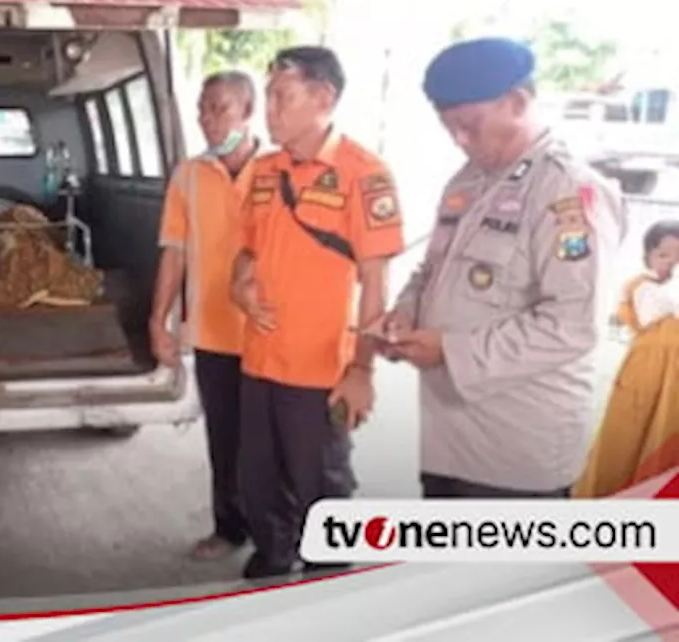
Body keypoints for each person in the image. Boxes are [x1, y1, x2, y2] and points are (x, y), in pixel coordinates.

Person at [380, 36, 625, 499]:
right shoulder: (468, 181)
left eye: (470, 125)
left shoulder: (567, 192)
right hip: (448, 435)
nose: (460, 140)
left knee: (495, 570)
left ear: (517, 102)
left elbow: (571, 325)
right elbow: (432, 270)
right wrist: (406, 313)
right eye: (448, 127)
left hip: (515, 447)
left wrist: (451, 351)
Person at [229, 46, 405, 580]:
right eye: (268, 98)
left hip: (320, 368)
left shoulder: (363, 174)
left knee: (321, 484)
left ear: (323, 98)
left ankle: (326, 577)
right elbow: (247, 249)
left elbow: (376, 283)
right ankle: (273, 554)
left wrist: (362, 370)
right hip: (259, 359)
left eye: (281, 97)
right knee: (258, 477)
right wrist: (239, 282)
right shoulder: (263, 171)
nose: (269, 110)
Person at [151, 70, 261, 561]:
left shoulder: (280, 172)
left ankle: (283, 534)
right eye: (203, 109)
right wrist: (159, 320)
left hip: (272, 330)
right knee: (226, 440)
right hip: (215, 331)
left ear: (249, 112)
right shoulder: (189, 176)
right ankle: (231, 527)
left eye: (220, 108)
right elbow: (173, 251)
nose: (208, 120)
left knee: (280, 442)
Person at [575, 220, 679, 497]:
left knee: (664, 433)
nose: (671, 264)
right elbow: (651, 314)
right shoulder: (643, 287)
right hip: (648, 372)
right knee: (628, 434)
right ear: (648, 256)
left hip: (672, 377)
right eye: (664, 256)